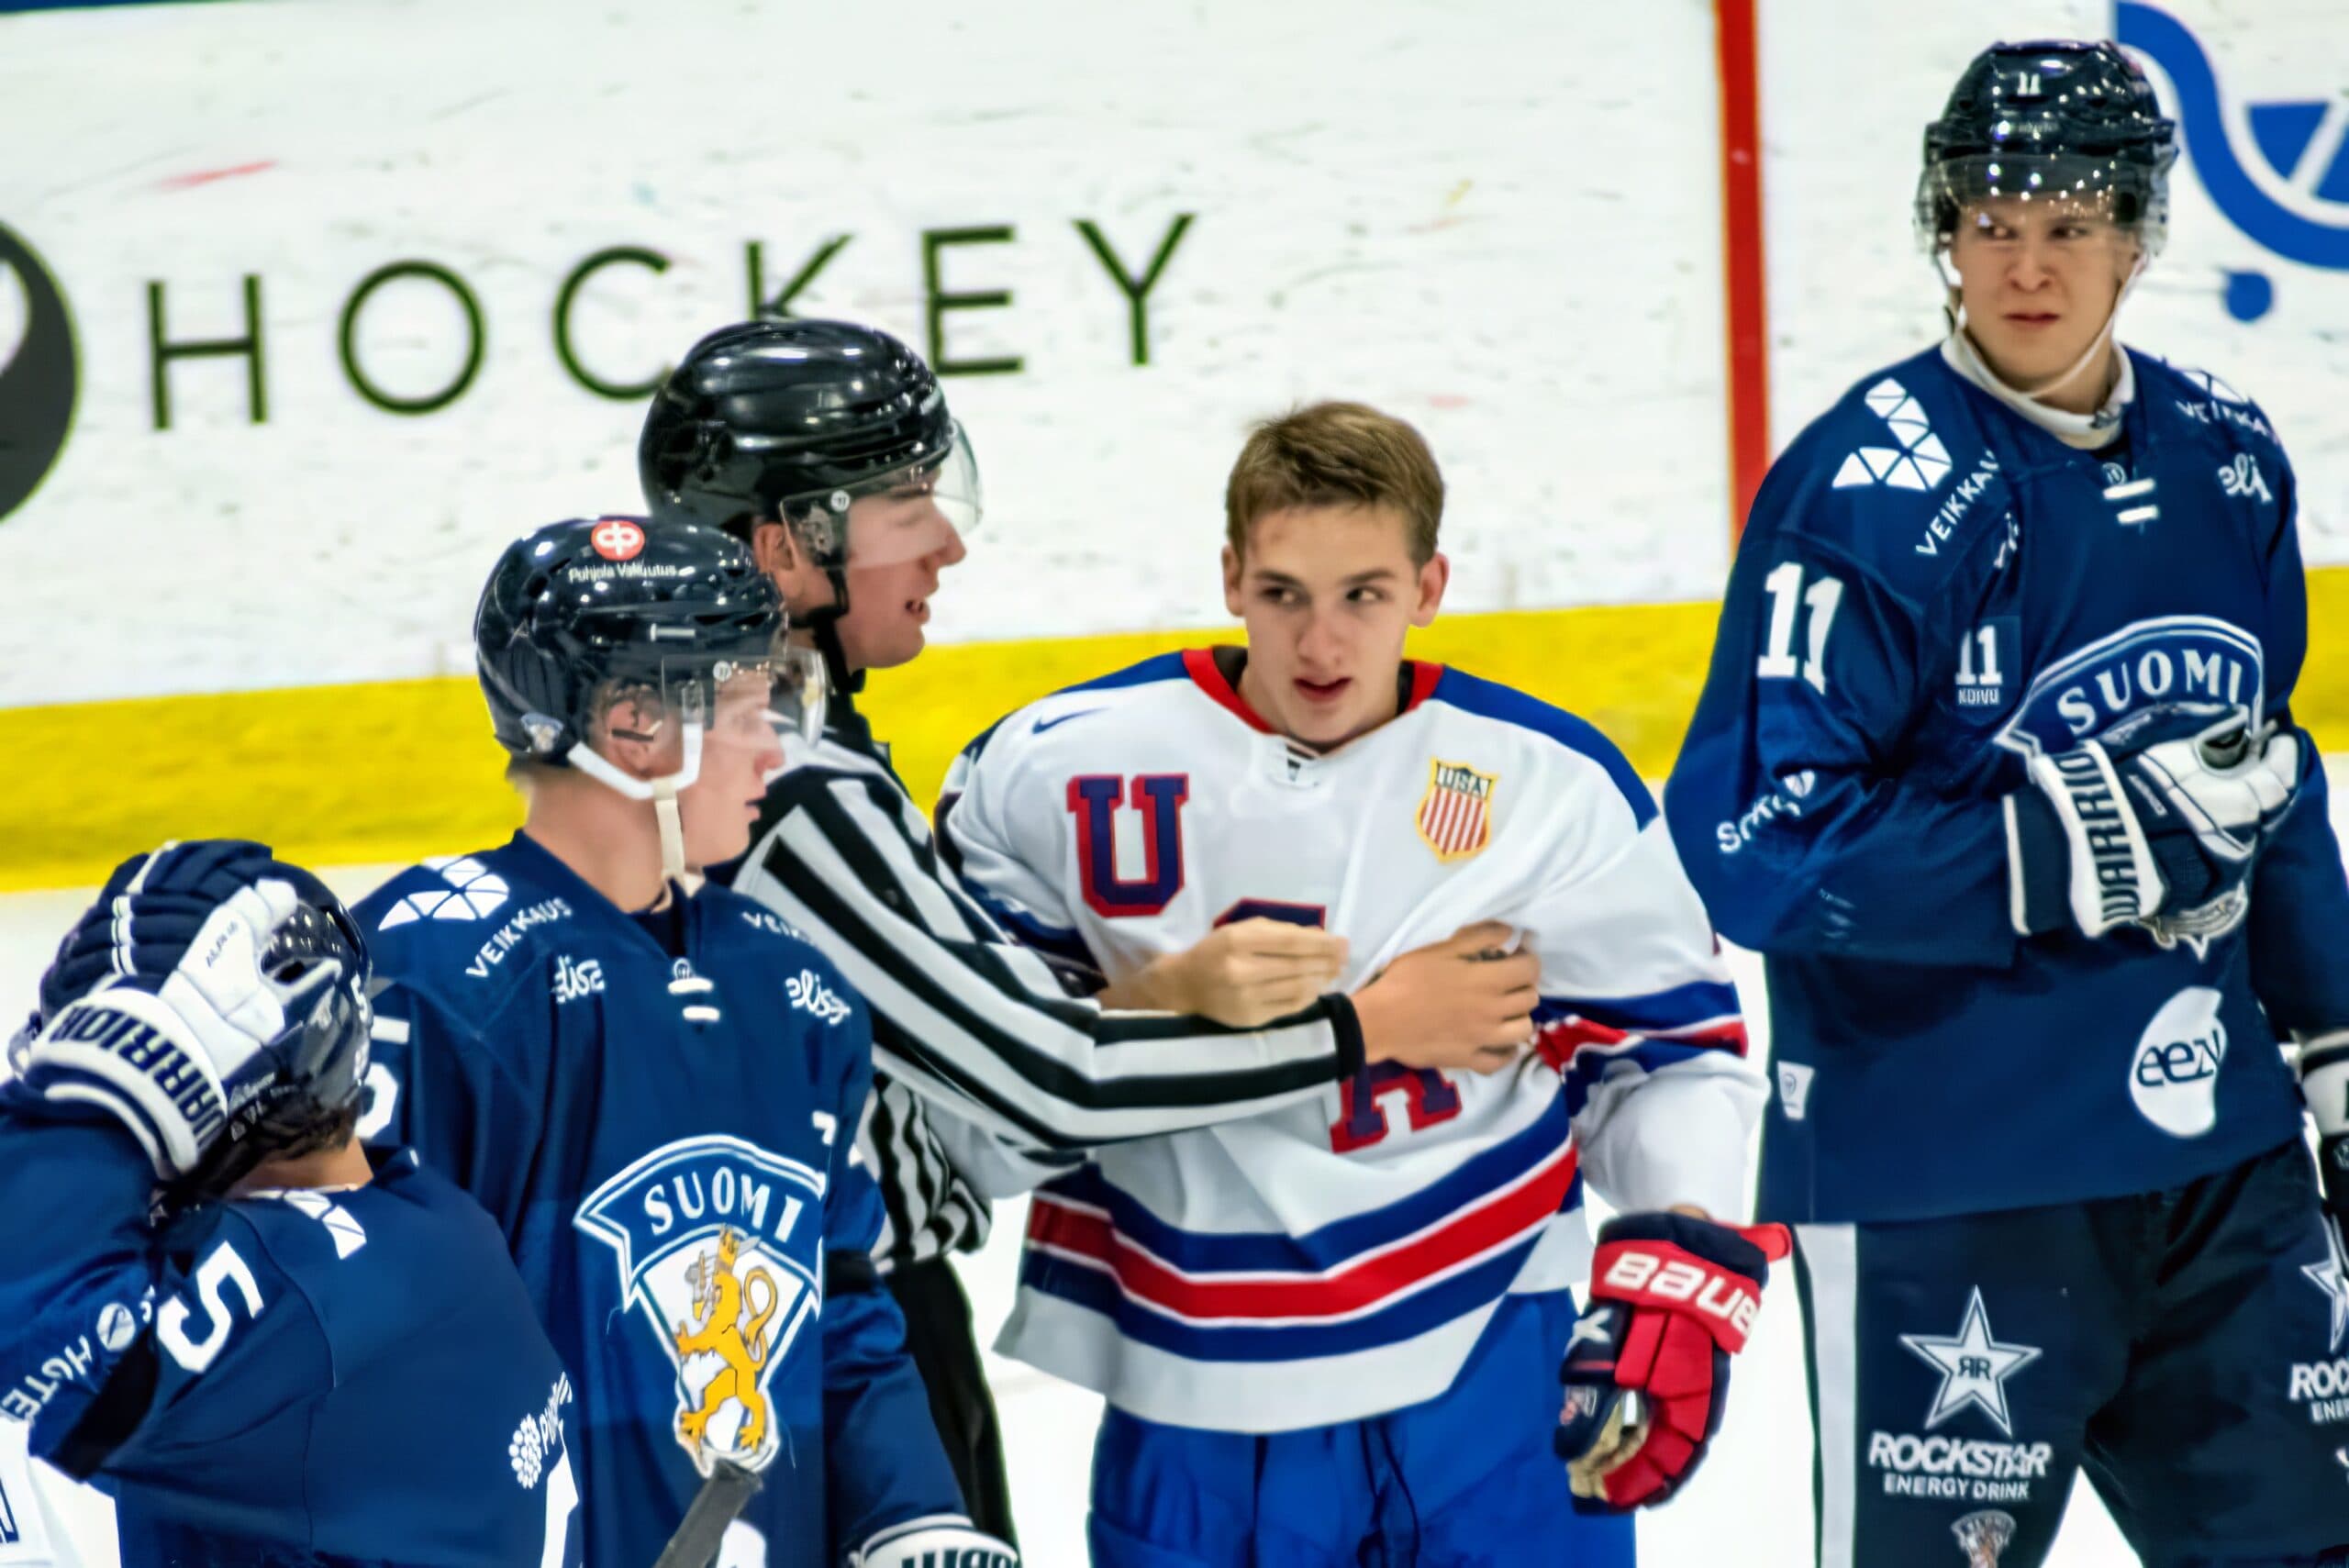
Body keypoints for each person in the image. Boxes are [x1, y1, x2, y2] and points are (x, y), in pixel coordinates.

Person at [639, 320, 1553, 1542]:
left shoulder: (736, 741)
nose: (948, 537)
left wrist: (1153, 997)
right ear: (783, 545)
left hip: (776, 1327)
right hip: (831, 1347)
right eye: (906, 500)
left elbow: (972, 1057)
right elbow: (1043, 1091)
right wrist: (1368, 1026)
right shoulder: (783, 786)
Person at [1664, 39, 2349, 1568]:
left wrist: (2338, 1051)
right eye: (1992, 221)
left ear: (2136, 236)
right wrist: (2076, 843)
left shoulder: (2230, 459)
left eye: (2068, 226)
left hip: (2216, 1163)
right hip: (1951, 1178)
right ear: (1946, 226)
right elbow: (1755, 847)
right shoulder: (1865, 489)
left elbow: (2268, 776)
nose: (2026, 266)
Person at [937, 400, 1779, 1565]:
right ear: (1229, 575)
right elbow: (983, 1103)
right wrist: (1166, 999)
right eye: (1283, 592)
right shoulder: (1047, 772)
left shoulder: (1549, 784)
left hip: (1490, 1343)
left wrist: (1677, 1252)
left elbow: (1667, 1051)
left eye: (1362, 595)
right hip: (1191, 1380)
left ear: (1429, 586)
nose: (1319, 645)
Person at [353, 517, 1013, 1568]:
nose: (773, 748)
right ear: (632, 728)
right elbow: (370, 1350)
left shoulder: (791, 984)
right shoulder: (433, 978)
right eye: (750, 710)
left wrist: (908, 1509)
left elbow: (838, 1283)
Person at [0, 840, 583, 1567]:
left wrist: (101, 1104)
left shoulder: (311, 1297)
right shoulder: (420, 1234)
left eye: (147, 1065)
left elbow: (34, 1327)